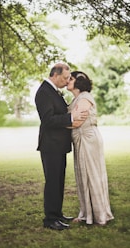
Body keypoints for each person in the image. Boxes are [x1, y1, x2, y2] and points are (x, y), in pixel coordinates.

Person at [35, 63, 88, 231]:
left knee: (59, 181)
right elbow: (48, 120)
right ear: (55, 75)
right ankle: (50, 219)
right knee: (52, 182)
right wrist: (71, 117)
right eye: (65, 78)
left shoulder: (53, 92)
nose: (67, 82)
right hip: (50, 145)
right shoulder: (43, 92)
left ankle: (57, 214)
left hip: (58, 145)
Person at [67, 71, 114, 226]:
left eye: (71, 78)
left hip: (88, 140)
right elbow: (73, 119)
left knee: (92, 175)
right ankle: (87, 214)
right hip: (80, 141)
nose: (68, 80)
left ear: (79, 82)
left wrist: (56, 124)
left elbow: (76, 122)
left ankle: (100, 216)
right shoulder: (76, 99)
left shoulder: (85, 97)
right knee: (83, 177)